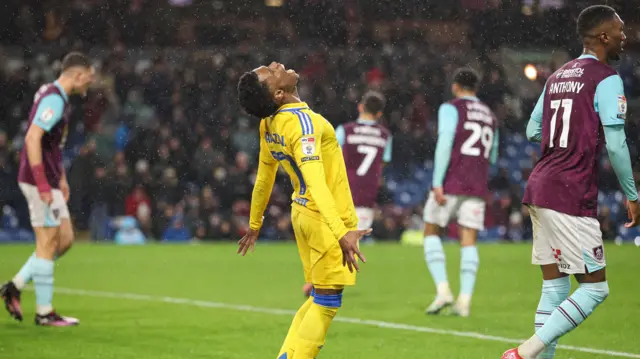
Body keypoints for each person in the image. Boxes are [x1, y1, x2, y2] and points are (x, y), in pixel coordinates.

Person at [502, 5, 638, 359]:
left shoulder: (556, 76)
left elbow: (533, 130)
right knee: (595, 290)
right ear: (604, 36)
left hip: (540, 186)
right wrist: (632, 194)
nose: (626, 35)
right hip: (569, 190)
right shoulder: (605, 77)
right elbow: (617, 143)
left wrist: (562, 139)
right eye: (620, 30)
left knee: (555, 287)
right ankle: (523, 353)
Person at [236, 62, 370, 359]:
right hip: (322, 218)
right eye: (271, 74)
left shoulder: (269, 124)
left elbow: (263, 178)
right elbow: (316, 181)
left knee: (318, 299)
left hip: (304, 214)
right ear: (280, 93)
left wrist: (255, 224)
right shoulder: (303, 123)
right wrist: (342, 233)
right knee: (327, 303)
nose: (276, 66)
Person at [0, 52, 95, 326]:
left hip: (51, 178)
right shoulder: (54, 99)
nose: (90, 82)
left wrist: (60, 176)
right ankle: (44, 312)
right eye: (88, 76)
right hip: (36, 180)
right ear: (77, 75)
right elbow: (32, 138)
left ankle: (15, 285)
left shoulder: (54, 95)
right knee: (47, 241)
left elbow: (51, 144)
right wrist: (42, 183)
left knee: (64, 239)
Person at [422, 67, 499, 317]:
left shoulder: (451, 108)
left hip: (452, 181)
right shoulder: (490, 115)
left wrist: (437, 182)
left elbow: (445, 142)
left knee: (431, 230)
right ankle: (464, 301)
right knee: (469, 241)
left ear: (456, 86)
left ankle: (443, 290)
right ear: (476, 88)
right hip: (477, 185)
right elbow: (494, 155)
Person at [302, 90, 392, 297]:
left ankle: (321, 282)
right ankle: (329, 282)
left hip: (341, 190)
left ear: (360, 107)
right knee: (350, 241)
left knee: (330, 236)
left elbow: (329, 155)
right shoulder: (385, 136)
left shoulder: (345, 131)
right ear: (379, 114)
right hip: (366, 194)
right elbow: (382, 164)